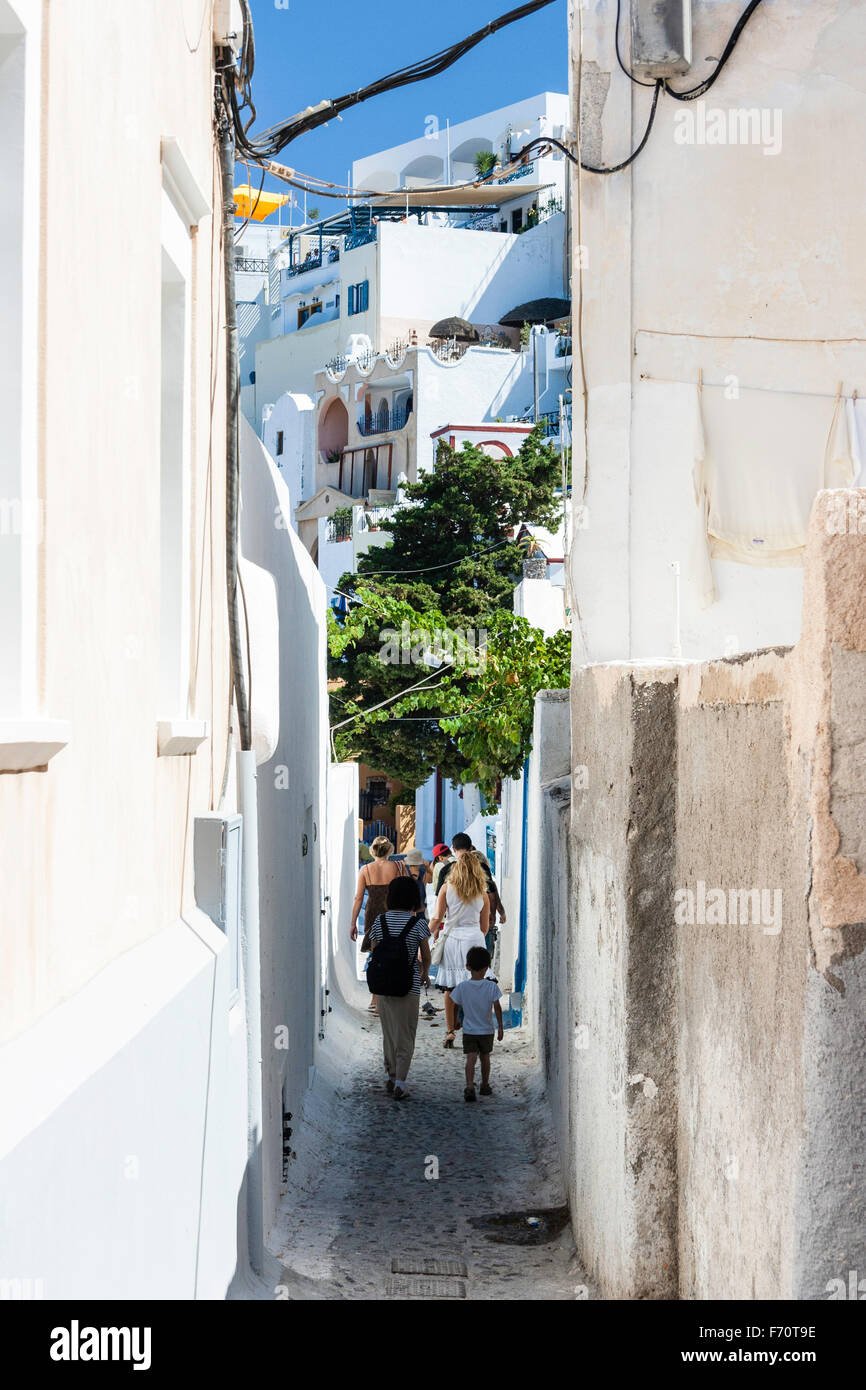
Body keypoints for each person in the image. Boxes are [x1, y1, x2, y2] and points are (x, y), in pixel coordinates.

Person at [362, 877, 431, 1101]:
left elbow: (374, 952)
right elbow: (426, 955)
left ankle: (391, 1075)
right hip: (408, 986)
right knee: (406, 1033)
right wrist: (424, 973)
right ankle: (401, 1080)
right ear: (413, 898)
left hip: (383, 987)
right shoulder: (418, 924)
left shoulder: (380, 921)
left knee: (389, 1033)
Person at [429, 848, 490, 1047]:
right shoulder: (482, 892)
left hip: (453, 940)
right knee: (476, 987)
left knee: (450, 988)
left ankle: (449, 1031)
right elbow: (484, 927)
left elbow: (437, 917)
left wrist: (424, 936)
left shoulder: (446, 888)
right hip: (474, 940)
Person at [350, 836, 405, 1013]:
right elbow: (406, 889)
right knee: (396, 953)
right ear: (389, 850)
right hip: (393, 911)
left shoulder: (365, 869)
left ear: (373, 850)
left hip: (373, 914)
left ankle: (375, 998)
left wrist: (353, 923)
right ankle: (392, 995)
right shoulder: (398, 866)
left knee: (376, 956)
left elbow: (358, 898)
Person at [449, 946, 503, 1102]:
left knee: (470, 1058)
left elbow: (454, 1006)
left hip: (470, 1031)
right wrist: (500, 1027)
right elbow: (497, 1007)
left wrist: (455, 1022)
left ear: (468, 966)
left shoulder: (463, 987)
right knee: (485, 1058)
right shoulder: (491, 986)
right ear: (487, 967)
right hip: (487, 1030)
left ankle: (469, 1086)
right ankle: (485, 1085)